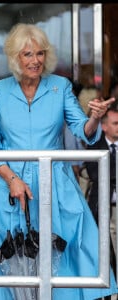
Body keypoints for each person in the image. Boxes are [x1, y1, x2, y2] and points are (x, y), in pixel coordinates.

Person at [0, 23, 117, 300]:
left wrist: (95, 118)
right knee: (13, 253)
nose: (35, 60)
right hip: (11, 185)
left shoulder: (60, 86)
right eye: (28, 54)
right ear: (16, 58)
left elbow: (82, 130)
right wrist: (12, 179)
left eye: (40, 53)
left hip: (55, 183)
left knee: (64, 251)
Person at [85, 103, 118, 297]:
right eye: (115, 123)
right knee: (104, 257)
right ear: (104, 127)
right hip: (103, 209)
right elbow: (96, 173)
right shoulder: (94, 147)